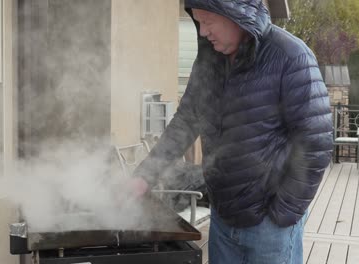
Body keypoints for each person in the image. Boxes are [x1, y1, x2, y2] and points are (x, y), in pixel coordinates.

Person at [132, 0, 333, 263]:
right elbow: (186, 121)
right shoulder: (209, 59)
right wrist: (144, 176)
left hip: (269, 224)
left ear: (235, 14)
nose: (203, 32)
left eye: (208, 21)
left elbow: (315, 143)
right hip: (222, 216)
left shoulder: (291, 56)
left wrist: (283, 212)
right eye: (198, 22)